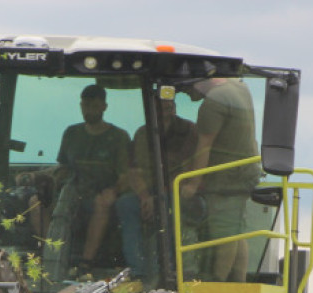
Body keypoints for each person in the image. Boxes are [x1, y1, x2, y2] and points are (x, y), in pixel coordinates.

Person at [29, 84, 131, 279]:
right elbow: (63, 168)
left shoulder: (118, 137)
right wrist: (40, 178)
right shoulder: (71, 134)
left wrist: (114, 191)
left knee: (101, 203)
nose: (89, 110)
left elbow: (127, 176)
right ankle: (51, 257)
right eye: (85, 105)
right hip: (72, 192)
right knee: (35, 203)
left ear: (104, 107)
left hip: (101, 195)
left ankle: (85, 264)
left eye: (94, 105)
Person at [179, 76, 261, 282]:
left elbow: (204, 145)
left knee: (223, 232)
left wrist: (193, 183)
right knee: (236, 232)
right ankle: (238, 288)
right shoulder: (239, 87)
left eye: (185, 88)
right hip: (246, 172)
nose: (187, 94)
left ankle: (215, 288)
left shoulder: (214, 102)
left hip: (227, 179)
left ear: (198, 81)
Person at [114, 94, 199, 280]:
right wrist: (145, 197)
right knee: (125, 205)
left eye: (170, 103)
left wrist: (159, 197)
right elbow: (134, 170)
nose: (167, 107)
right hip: (149, 193)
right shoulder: (142, 134)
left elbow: (191, 169)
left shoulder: (189, 130)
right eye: (162, 104)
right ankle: (137, 271)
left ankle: (170, 270)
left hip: (180, 192)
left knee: (169, 208)